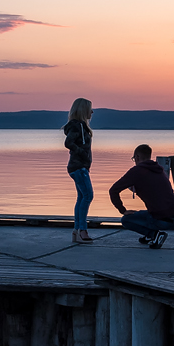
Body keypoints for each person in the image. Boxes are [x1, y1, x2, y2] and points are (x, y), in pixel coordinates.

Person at [109, 144, 174, 248]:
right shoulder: (158, 169)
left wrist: (122, 210)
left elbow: (113, 190)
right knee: (144, 213)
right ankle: (150, 236)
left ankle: (155, 235)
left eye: (134, 158)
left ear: (137, 157)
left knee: (126, 220)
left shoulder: (136, 171)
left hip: (163, 220)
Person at [63, 98, 94, 244]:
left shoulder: (81, 126)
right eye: (90, 109)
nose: (92, 112)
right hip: (78, 167)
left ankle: (77, 231)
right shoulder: (77, 126)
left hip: (80, 167)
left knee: (82, 197)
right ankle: (82, 230)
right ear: (83, 110)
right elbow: (68, 142)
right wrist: (81, 152)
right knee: (88, 196)